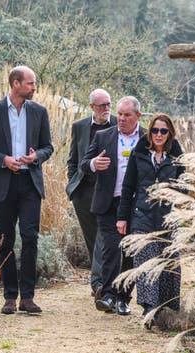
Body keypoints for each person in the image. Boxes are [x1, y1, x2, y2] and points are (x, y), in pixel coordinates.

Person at [0, 65, 54, 315]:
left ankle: (27, 297)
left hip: (30, 183)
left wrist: (36, 156)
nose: (34, 88)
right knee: (5, 240)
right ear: (16, 84)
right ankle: (9, 297)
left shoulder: (39, 112)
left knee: (30, 238)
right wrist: (3, 160)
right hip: (4, 184)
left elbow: (48, 147)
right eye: (30, 83)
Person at [116, 113, 184, 329]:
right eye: (155, 130)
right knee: (145, 264)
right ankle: (149, 309)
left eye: (163, 131)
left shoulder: (176, 156)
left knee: (167, 265)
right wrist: (122, 217)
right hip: (142, 217)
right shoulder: (139, 154)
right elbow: (128, 187)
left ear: (169, 133)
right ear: (150, 132)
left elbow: (185, 188)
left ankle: (165, 310)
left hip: (167, 219)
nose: (158, 135)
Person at [80, 96, 145, 315]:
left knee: (130, 252)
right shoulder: (103, 136)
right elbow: (83, 165)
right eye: (120, 114)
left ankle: (123, 298)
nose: (122, 119)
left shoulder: (148, 137)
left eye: (127, 115)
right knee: (110, 249)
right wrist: (93, 164)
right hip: (109, 201)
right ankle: (107, 295)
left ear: (138, 116)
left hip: (136, 205)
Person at [66, 88, 118, 299]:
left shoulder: (118, 123)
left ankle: (100, 283)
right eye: (101, 106)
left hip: (109, 190)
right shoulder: (79, 127)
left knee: (105, 238)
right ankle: (99, 282)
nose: (106, 109)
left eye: (108, 104)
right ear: (91, 107)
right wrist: (72, 183)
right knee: (92, 238)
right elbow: (73, 159)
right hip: (84, 191)